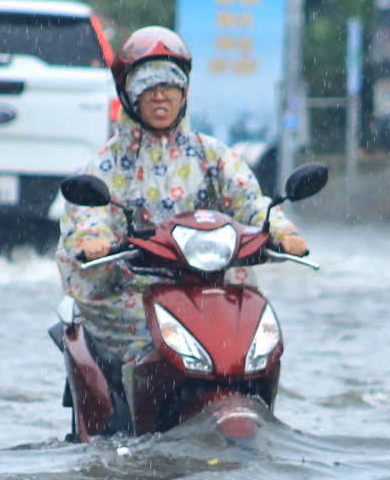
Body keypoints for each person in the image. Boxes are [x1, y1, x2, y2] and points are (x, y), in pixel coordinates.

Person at [56, 25, 309, 381]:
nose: (160, 97)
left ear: (184, 92)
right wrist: (93, 239)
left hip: (214, 286)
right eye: (148, 87)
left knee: (259, 337)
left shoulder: (212, 155)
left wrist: (281, 231)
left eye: (169, 86)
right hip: (133, 290)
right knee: (140, 347)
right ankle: (134, 411)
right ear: (128, 95)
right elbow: (88, 215)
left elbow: (251, 200)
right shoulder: (106, 164)